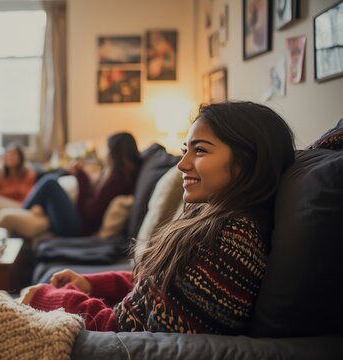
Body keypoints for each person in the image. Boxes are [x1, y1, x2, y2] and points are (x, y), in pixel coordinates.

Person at [20, 101, 295, 334]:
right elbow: (159, 287)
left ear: (246, 161)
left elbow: (125, 331)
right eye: (185, 149)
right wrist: (92, 283)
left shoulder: (229, 244)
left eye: (199, 150)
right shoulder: (215, 222)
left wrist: (47, 298)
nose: (182, 164)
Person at [17, 132, 141, 237]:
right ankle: (28, 210)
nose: (105, 153)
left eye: (107, 149)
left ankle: (21, 211)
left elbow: (90, 213)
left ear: (115, 154)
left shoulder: (117, 180)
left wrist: (82, 177)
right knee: (52, 182)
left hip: (80, 227)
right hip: (81, 221)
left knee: (50, 182)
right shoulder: (117, 176)